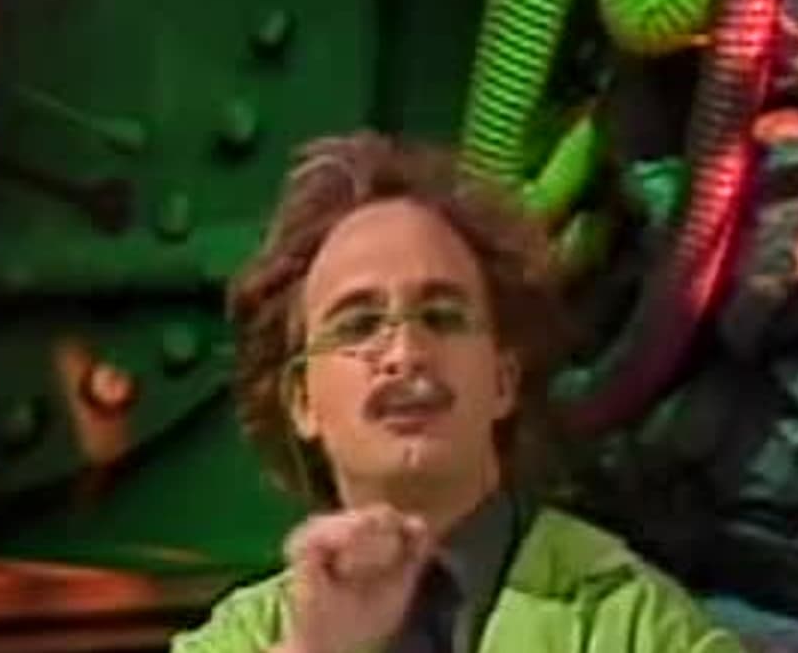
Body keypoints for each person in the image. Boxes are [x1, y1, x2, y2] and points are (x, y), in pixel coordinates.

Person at [172, 133, 744, 653]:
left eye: (442, 317)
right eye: (359, 325)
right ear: (301, 400)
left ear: (503, 379)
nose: (406, 354)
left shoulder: (637, 626)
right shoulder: (245, 637)